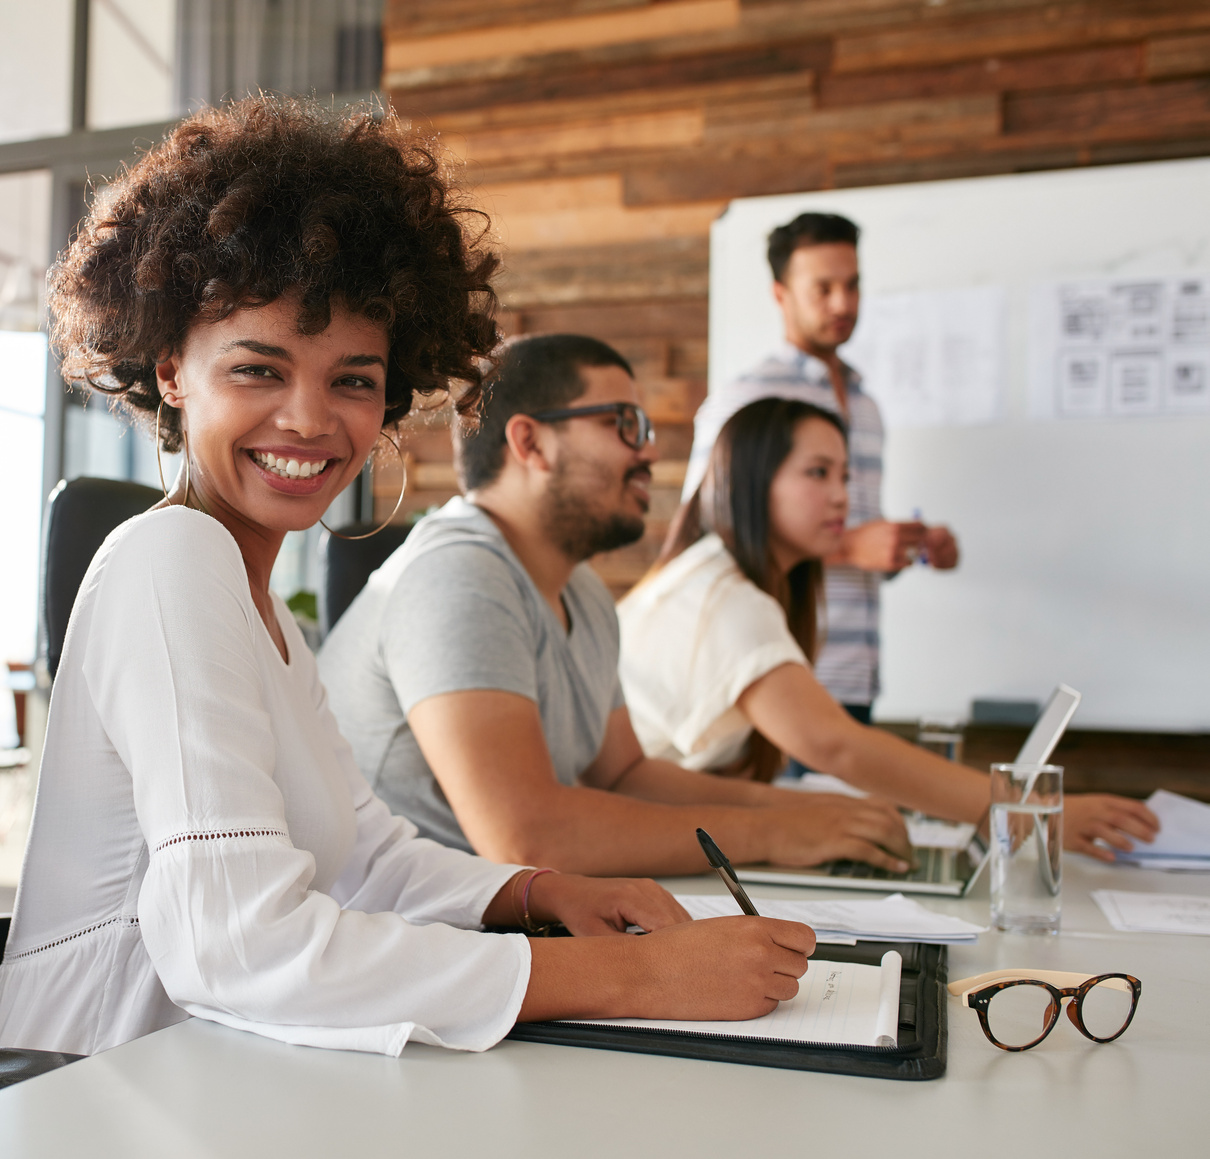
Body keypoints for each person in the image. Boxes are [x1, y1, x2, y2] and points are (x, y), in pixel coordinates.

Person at [0, 99, 815, 1060]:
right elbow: (239, 943)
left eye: (352, 380)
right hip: (92, 1093)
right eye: (258, 369)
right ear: (172, 371)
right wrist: (641, 976)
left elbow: (366, 853)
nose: (309, 419)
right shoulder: (172, 560)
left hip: (219, 1074)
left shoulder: (265, 613)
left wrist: (536, 891)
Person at [319, 334, 914, 878]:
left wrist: (807, 812)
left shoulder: (581, 593)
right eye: (624, 424)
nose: (649, 451)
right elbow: (527, 838)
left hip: (496, 926)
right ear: (531, 443)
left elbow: (625, 776)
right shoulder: (457, 575)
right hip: (412, 947)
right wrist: (774, 831)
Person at [620, 396, 1159, 856]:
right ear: (754, 481)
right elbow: (836, 746)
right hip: (623, 841)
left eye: (845, 476)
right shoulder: (725, 597)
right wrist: (1023, 809)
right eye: (817, 472)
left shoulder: (719, 575)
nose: (841, 495)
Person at [685, 212, 955, 725]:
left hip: (857, 676)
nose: (844, 304)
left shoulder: (867, 406)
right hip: (776, 670)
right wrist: (852, 545)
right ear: (780, 294)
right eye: (823, 288)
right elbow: (705, 531)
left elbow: (839, 530)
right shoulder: (748, 398)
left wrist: (905, 546)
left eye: (853, 286)